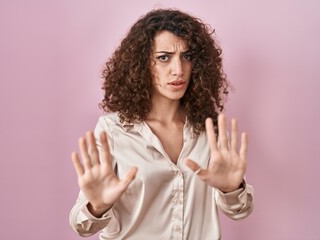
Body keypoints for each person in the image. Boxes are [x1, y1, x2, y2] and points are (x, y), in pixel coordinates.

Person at [69, 8, 254, 240]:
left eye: (187, 56)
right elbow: (81, 225)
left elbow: (241, 210)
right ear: (142, 64)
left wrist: (232, 189)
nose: (178, 70)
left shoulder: (210, 130)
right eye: (164, 57)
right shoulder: (113, 130)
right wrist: (98, 206)